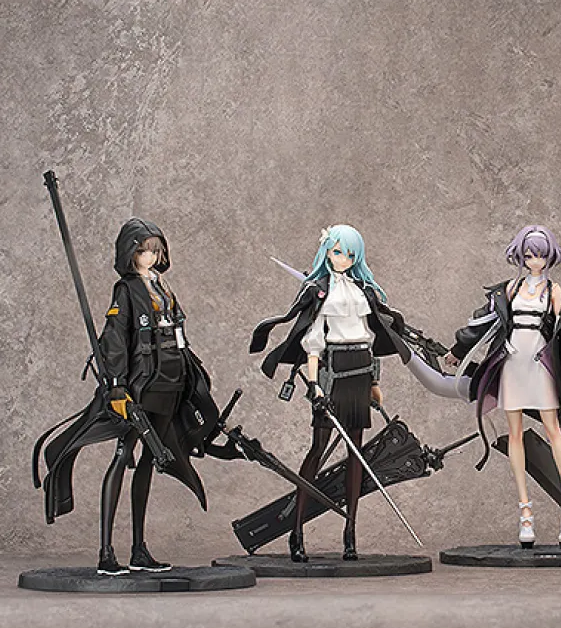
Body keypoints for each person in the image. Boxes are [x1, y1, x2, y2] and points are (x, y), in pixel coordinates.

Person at [35, 218, 219, 575]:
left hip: (170, 384)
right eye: (143, 250)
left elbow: (178, 335)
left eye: (155, 250)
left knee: (152, 460)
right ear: (130, 253)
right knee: (123, 455)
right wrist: (118, 385)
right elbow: (116, 339)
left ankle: (139, 549)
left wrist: (192, 377)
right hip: (142, 388)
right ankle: (106, 553)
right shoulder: (127, 290)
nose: (150, 256)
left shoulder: (163, 287)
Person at [249, 225, 410, 562]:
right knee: (318, 448)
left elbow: (370, 339)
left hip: (360, 372)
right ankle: (296, 531)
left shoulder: (363, 290)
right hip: (332, 372)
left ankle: (350, 532)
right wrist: (314, 385)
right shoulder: (319, 291)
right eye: (338, 252)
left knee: (356, 453)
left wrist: (375, 383)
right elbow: (312, 342)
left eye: (350, 254)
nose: (344, 259)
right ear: (327, 252)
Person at [444, 225, 561, 549]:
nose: (535, 260)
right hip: (512, 365)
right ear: (521, 256)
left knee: (553, 430)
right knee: (515, 434)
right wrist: (458, 350)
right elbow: (480, 323)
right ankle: (525, 512)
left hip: (540, 364)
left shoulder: (553, 291)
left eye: (540, 255)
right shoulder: (510, 289)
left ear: (549, 256)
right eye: (529, 255)